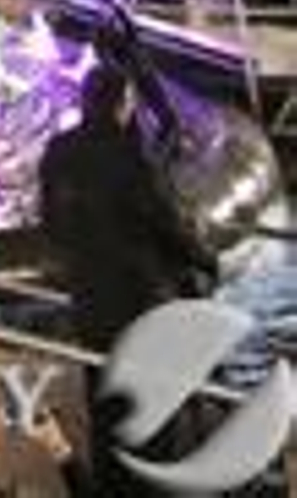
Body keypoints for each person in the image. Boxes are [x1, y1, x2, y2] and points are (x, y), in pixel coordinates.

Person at [38, 59, 216, 482]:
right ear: (124, 103)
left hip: (89, 300)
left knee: (104, 402)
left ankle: (109, 481)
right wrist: (205, 258)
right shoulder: (131, 157)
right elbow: (166, 224)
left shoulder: (58, 150)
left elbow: (51, 219)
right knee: (149, 408)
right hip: (140, 301)